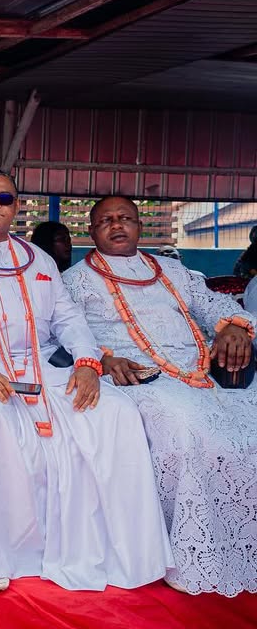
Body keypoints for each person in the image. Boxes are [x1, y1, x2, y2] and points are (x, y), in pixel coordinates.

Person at [0, 168, 171, 592]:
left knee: (118, 412)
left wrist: (88, 363)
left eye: (4, 199)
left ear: (17, 206)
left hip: (40, 367)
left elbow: (68, 318)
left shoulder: (37, 260)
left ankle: (126, 552)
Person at [63, 195, 257, 596]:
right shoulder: (74, 281)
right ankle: (187, 552)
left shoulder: (173, 270)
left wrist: (233, 325)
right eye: (106, 221)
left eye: (126, 219)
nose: (117, 226)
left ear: (139, 225)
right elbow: (61, 335)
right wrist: (101, 358)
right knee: (183, 428)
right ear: (91, 230)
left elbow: (213, 304)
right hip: (138, 378)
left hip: (202, 373)